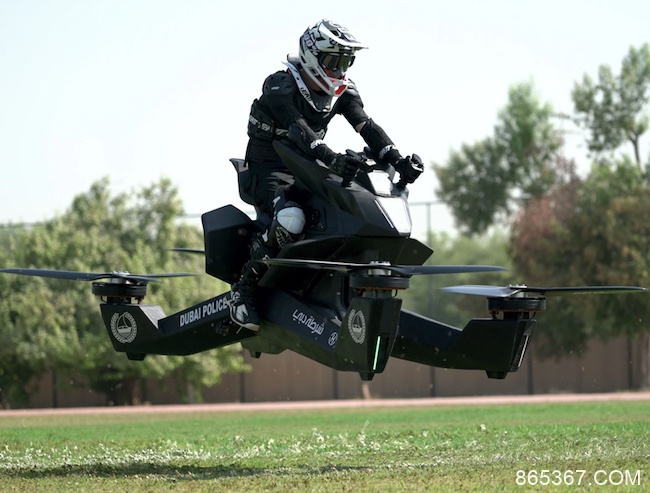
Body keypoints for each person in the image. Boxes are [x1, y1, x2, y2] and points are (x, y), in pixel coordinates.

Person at [229, 19, 424, 330]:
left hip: (309, 167)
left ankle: (332, 288)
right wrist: (331, 159)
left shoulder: (344, 90)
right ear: (311, 56)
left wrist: (398, 159)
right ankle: (244, 288)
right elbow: (298, 129)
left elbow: (366, 126)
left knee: (347, 212)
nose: (339, 69)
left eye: (346, 61)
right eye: (334, 61)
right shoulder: (280, 85)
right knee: (291, 218)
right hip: (269, 171)